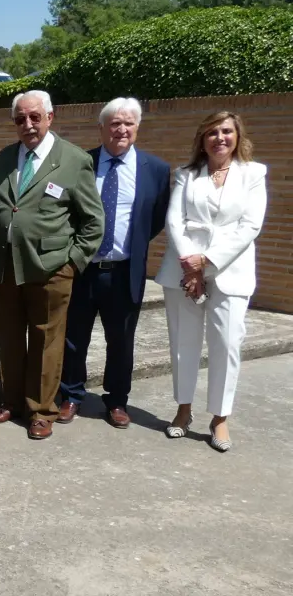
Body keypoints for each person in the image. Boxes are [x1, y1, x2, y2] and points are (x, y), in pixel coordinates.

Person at [0, 90, 103, 440]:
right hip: (7, 268)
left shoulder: (73, 159)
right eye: (20, 119)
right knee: (9, 338)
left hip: (51, 268)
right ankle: (12, 401)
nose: (28, 124)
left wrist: (72, 263)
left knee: (46, 341)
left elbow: (93, 221)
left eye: (35, 117)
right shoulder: (4, 158)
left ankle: (41, 410)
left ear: (51, 117)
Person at [155, 110, 267, 453]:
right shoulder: (186, 174)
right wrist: (191, 266)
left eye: (226, 131)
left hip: (230, 269)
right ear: (202, 140)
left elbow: (250, 225)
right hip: (183, 268)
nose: (220, 138)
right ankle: (183, 409)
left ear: (237, 136)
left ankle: (220, 417)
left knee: (227, 344)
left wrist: (207, 262)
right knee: (183, 342)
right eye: (212, 133)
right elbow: (175, 221)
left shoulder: (253, 174)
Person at [59, 98, 170, 428]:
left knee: (121, 341)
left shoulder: (156, 170)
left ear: (137, 127)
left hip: (124, 271)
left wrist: (131, 244)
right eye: (114, 123)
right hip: (83, 269)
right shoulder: (82, 163)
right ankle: (71, 395)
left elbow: (156, 218)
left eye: (128, 123)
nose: (121, 129)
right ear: (102, 128)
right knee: (73, 337)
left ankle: (117, 400)